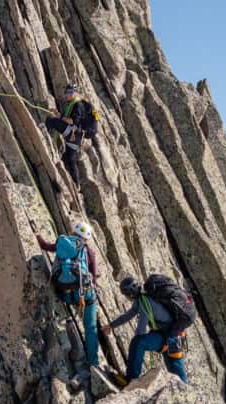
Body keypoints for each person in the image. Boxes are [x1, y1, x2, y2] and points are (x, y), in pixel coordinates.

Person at [101, 275, 190, 384]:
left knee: (138, 343)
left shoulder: (144, 302)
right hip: (169, 334)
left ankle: (131, 380)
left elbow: (141, 331)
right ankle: (181, 389)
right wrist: (111, 325)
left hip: (170, 336)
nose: (126, 298)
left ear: (130, 294)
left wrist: (138, 339)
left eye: (125, 295)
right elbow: (129, 315)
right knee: (174, 370)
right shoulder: (143, 298)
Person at [36, 221, 99, 366]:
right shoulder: (88, 251)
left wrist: (38, 235)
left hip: (65, 294)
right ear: (86, 238)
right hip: (84, 295)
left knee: (67, 316)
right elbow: (93, 278)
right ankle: (93, 363)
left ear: (74, 232)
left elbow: (45, 246)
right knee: (90, 327)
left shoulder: (62, 243)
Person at [44, 83, 100, 186]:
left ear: (75, 93)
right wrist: (59, 115)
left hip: (73, 133)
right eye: (67, 92)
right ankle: (76, 183)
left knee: (51, 121)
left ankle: (43, 139)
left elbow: (72, 121)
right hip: (78, 139)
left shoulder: (77, 104)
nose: (67, 94)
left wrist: (59, 117)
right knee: (69, 159)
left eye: (70, 92)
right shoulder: (81, 105)